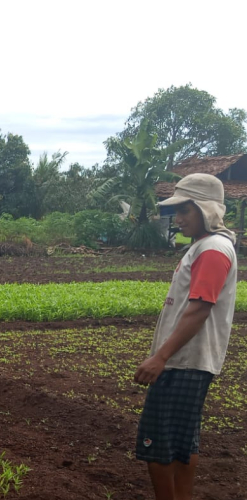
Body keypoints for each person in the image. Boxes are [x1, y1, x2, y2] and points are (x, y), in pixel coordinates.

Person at [133, 173, 237, 500]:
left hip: (184, 363)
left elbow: (200, 308)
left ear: (206, 209)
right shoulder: (206, 246)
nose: (178, 219)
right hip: (187, 362)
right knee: (181, 444)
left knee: (158, 445)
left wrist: (161, 357)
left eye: (184, 210)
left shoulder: (213, 249)